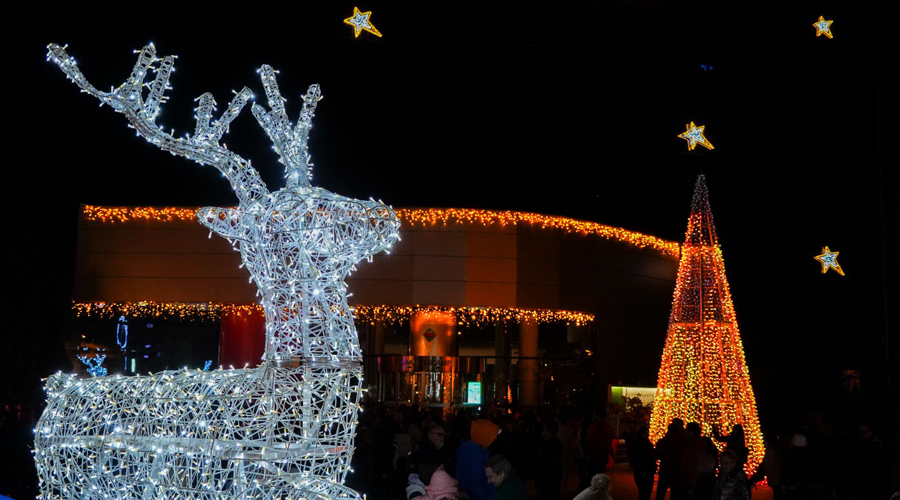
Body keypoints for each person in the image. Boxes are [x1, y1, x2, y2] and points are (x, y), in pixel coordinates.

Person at [457, 419, 500, 500]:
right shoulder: (473, 454)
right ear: (484, 436)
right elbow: (474, 485)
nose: (495, 439)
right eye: (493, 436)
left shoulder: (475, 452)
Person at [656, 422, 687, 500]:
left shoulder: (663, 441)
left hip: (665, 469)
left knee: (661, 493)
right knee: (674, 494)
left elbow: (658, 454)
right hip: (675, 471)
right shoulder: (681, 442)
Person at [628, 427, 656, 500]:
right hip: (645, 470)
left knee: (642, 491)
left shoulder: (635, 443)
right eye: (646, 433)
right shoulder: (646, 444)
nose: (647, 434)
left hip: (640, 469)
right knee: (646, 491)